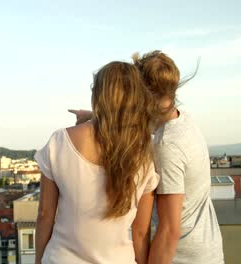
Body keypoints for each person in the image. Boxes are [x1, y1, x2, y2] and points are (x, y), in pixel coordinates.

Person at [70, 51, 224, 264]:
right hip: (207, 250)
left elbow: (170, 229)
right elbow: (140, 122)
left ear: (144, 93)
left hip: (181, 258)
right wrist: (94, 117)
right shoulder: (183, 121)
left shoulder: (166, 146)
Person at [35, 61, 160, 264]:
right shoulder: (143, 154)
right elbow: (140, 232)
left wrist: (39, 260)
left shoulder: (60, 142)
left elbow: (45, 214)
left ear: (97, 96)